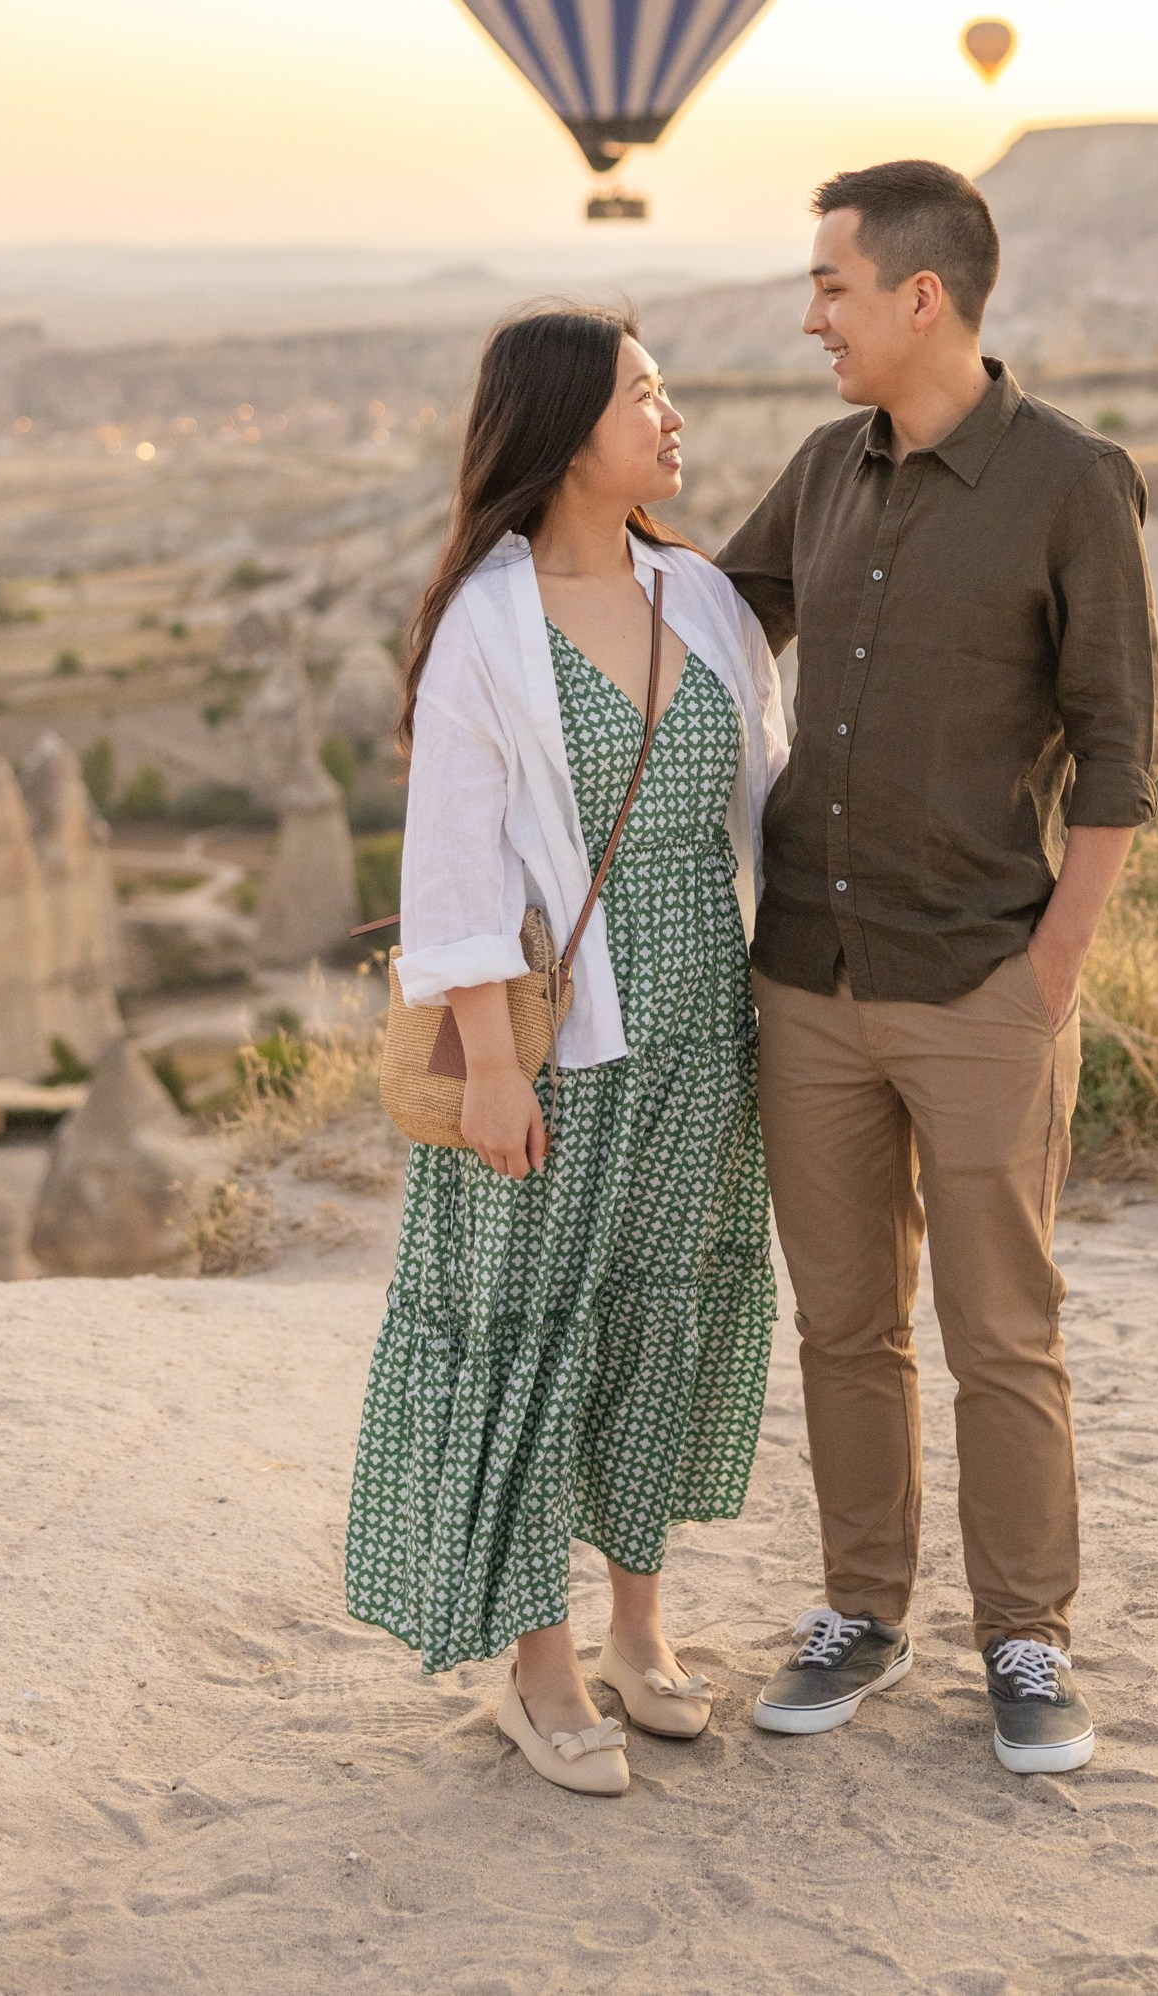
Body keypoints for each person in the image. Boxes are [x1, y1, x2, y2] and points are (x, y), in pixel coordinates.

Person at [719, 160, 1158, 1776]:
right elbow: (704, 618)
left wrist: (1048, 973)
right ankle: (861, 1610)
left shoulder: (1070, 483)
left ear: (920, 296)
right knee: (843, 1326)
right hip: (807, 978)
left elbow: (1122, 753)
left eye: (829, 284)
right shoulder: (824, 470)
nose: (809, 314)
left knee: (999, 1331)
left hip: (980, 981)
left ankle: (1027, 1639)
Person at [346, 307, 787, 1800]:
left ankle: (637, 1630)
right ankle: (537, 1667)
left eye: (663, 389)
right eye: (640, 394)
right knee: (535, 1330)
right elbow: (453, 865)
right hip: (560, 1039)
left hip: (700, 1027)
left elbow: (762, 802)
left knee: (656, 1324)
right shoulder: (488, 621)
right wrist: (490, 1063)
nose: (669, 414)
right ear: (561, 430)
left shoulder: (701, 596)